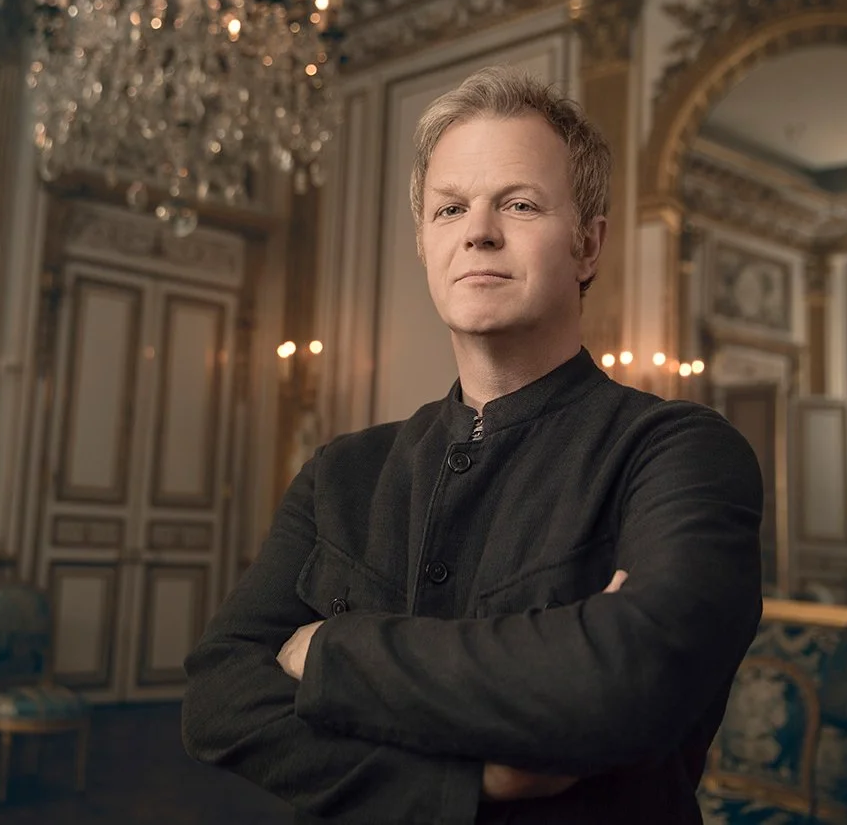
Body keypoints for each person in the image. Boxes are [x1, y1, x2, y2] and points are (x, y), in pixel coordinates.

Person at [181, 67, 764, 824]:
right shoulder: (342, 472)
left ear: (588, 245)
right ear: (425, 244)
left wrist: (330, 649)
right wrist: (473, 782)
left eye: (519, 204)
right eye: (450, 207)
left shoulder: (680, 451)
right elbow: (219, 695)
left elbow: (632, 675)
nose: (478, 230)